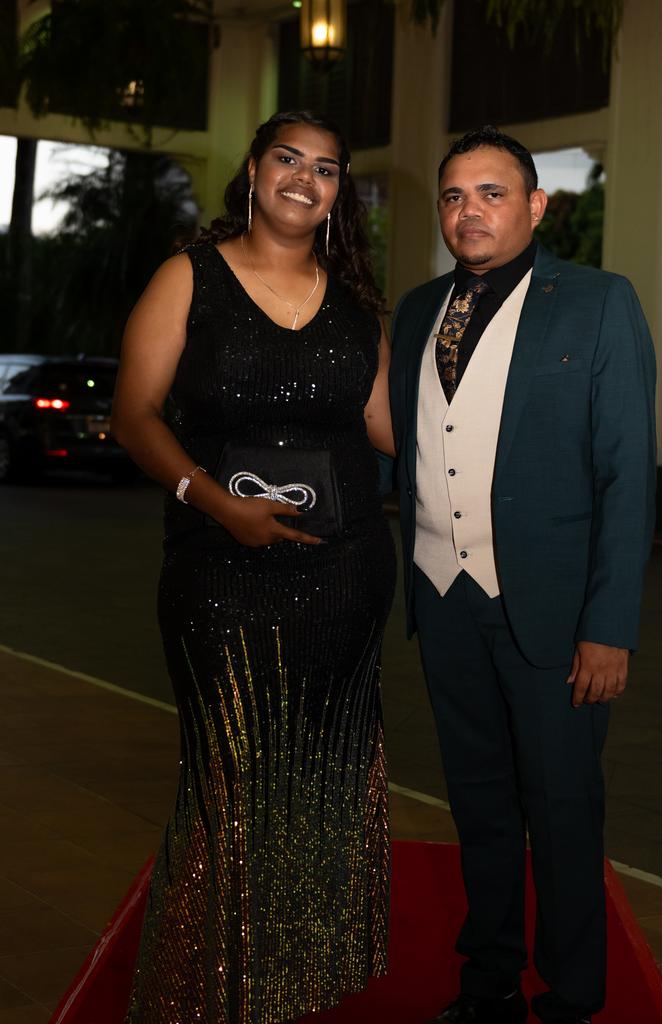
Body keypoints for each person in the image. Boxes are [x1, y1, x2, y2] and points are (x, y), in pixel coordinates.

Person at [112, 110, 396, 1024]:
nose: (304, 179)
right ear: (254, 169)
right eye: (288, 159)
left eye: (325, 168)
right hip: (218, 580)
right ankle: (208, 997)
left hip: (347, 582)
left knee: (322, 791)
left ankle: (296, 992)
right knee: (231, 787)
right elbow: (134, 414)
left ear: (338, 191)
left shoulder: (358, 302)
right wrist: (214, 501)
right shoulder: (187, 276)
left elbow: (396, 432)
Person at [389, 127, 656, 1024]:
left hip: (553, 615)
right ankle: (490, 981)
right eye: (455, 195)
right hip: (445, 598)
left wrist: (609, 625)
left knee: (565, 815)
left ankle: (573, 998)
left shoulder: (597, 301)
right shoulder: (418, 309)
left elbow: (627, 474)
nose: (471, 211)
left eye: (492, 193)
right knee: (481, 809)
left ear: (536, 205)